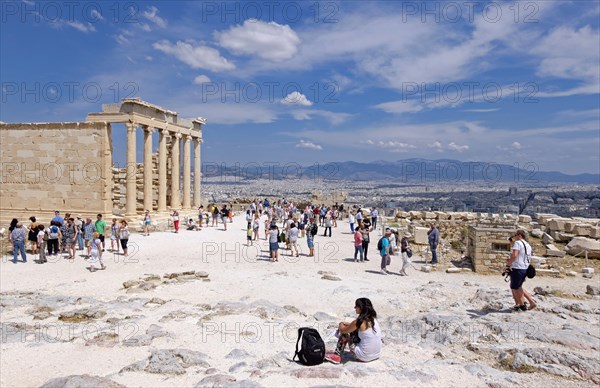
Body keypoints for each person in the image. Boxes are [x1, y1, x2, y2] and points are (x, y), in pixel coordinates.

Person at [324, 298, 382, 364]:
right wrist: (349, 325)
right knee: (353, 331)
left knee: (346, 333)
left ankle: (336, 355)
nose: (355, 308)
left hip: (364, 357)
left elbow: (343, 330)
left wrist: (341, 324)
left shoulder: (359, 322)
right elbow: (361, 329)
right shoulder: (373, 320)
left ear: (361, 308)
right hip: (376, 355)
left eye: (356, 306)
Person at [506, 230, 537, 311]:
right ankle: (531, 302)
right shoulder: (528, 245)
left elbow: (514, 255)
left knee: (514, 287)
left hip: (517, 268)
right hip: (525, 268)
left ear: (520, 235)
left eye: (515, 235)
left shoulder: (518, 243)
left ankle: (521, 305)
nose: (514, 237)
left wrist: (508, 265)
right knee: (519, 286)